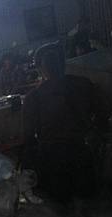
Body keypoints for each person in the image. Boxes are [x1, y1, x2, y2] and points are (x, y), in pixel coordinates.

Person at [22, 43, 96, 202]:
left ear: (41, 70)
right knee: (88, 202)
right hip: (82, 153)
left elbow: (28, 136)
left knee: (61, 205)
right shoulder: (82, 84)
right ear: (63, 66)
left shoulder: (33, 97)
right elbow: (98, 115)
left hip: (52, 160)